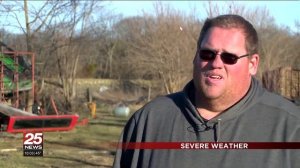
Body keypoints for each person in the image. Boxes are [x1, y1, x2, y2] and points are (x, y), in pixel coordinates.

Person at [113, 14, 300, 168]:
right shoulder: (149, 120)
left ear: (252, 64)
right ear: (195, 57)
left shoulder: (290, 128)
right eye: (207, 54)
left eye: (229, 57)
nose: (216, 64)